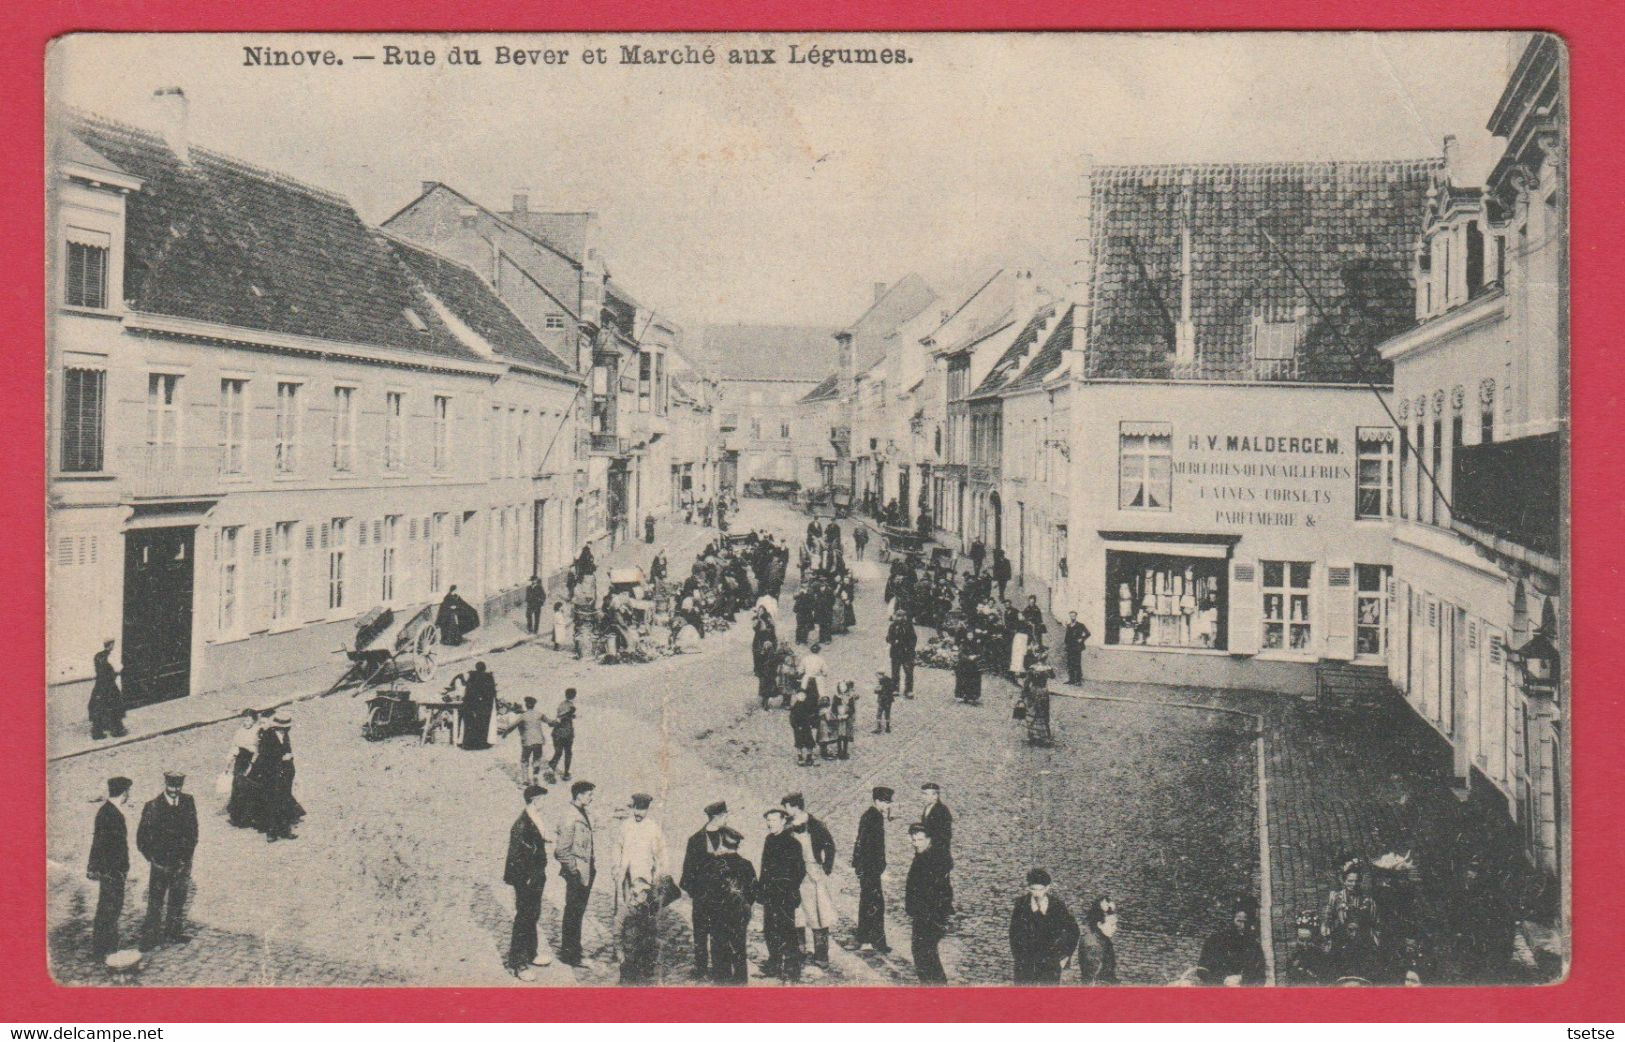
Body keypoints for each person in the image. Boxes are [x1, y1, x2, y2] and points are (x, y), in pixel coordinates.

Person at [136, 770, 198, 950]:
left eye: (178, 786)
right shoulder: (153, 806)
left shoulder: (188, 802)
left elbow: (193, 832)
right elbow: (142, 839)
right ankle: (150, 936)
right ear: (165, 785)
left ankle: (174, 932)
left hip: (181, 864)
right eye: (171, 786)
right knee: (155, 901)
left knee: (178, 899)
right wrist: (153, 860)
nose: (175, 790)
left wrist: (186, 859)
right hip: (160, 864)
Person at [615, 792, 670, 984]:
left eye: (642, 809)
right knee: (625, 911)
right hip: (626, 877)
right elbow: (618, 847)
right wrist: (617, 868)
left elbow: (661, 856)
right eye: (636, 809)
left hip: (644, 878)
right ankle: (623, 946)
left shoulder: (653, 828)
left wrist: (658, 877)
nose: (638, 813)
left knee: (645, 915)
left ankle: (643, 950)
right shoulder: (625, 826)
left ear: (647, 809)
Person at [503, 784, 554, 980]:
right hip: (526, 879)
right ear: (535, 800)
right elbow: (515, 857)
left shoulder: (535, 817)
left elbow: (536, 839)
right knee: (523, 917)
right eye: (543, 799)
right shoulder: (521, 824)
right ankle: (518, 963)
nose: (545, 803)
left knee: (533, 913)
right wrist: (524, 880)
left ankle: (531, 953)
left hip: (536, 875)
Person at [783, 793, 837, 968]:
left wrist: (826, 867)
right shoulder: (787, 826)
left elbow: (830, 846)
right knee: (797, 913)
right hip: (794, 875)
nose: (785, 810)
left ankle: (821, 955)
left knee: (818, 914)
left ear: (794, 806)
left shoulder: (816, 825)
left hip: (812, 873)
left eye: (787, 807)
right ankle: (799, 950)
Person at [680, 801, 729, 980]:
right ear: (718, 817)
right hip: (702, 896)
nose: (727, 818)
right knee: (700, 933)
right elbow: (687, 870)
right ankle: (700, 968)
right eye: (725, 815)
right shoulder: (695, 840)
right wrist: (696, 893)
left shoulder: (729, 836)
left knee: (720, 933)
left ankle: (719, 968)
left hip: (722, 896)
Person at [87, 776, 134, 960]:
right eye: (128, 792)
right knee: (110, 908)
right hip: (112, 871)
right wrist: (118, 870)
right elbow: (105, 844)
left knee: (109, 908)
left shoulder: (106, 811)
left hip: (110, 870)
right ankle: (105, 949)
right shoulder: (111, 813)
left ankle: (106, 947)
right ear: (124, 793)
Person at [757, 807, 805, 981]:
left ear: (784, 821)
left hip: (785, 895)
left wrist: (788, 888)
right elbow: (764, 867)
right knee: (770, 930)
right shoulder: (769, 840)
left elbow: (800, 871)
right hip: (770, 894)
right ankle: (774, 963)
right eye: (768, 821)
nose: (770, 824)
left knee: (787, 931)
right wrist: (761, 890)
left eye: (774, 820)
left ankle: (793, 968)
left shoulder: (793, 844)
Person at [1009, 868, 1080, 983]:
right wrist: (1019, 958)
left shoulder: (1057, 906)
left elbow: (1073, 931)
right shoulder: (1021, 905)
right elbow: (1014, 934)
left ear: (1047, 888)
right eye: (1033, 889)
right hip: (1026, 966)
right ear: (1028, 887)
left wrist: (1065, 957)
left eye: (1040, 890)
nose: (1036, 893)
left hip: (1050, 966)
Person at [554, 780, 596, 968]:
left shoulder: (581, 812)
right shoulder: (570, 816)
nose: (591, 797)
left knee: (577, 913)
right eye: (588, 794)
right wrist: (574, 870)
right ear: (578, 795)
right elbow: (561, 850)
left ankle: (574, 949)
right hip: (577, 873)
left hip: (586, 870)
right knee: (573, 913)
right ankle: (570, 955)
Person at [904, 823, 953, 984]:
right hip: (922, 914)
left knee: (925, 952)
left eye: (920, 839)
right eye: (914, 840)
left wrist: (933, 915)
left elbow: (940, 891)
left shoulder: (932, 860)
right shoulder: (922, 854)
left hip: (930, 915)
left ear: (929, 839)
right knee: (922, 952)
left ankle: (937, 988)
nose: (916, 843)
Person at [709, 827, 756, 983]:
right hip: (740, 914)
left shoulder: (715, 864)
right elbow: (753, 892)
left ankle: (721, 983)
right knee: (739, 948)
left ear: (721, 842)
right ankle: (740, 982)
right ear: (737, 845)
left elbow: (708, 892)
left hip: (718, 915)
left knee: (719, 949)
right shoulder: (747, 865)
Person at [1321, 860, 1382, 981]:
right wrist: (1327, 936)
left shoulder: (1368, 901)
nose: (1353, 884)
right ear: (1344, 881)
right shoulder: (1336, 898)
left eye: (1356, 881)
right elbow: (1327, 919)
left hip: (1362, 943)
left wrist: (1375, 942)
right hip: (1341, 940)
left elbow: (1376, 923)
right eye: (1350, 881)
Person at [249, 709, 302, 841]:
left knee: (284, 801)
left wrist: (289, 761)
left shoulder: (285, 735)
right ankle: (271, 832)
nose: (286, 729)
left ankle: (285, 830)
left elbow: (288, 750)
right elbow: (264, 755)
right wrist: (281, 758)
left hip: (285, 773)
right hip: (271, 774)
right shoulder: (267, 735)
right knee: (272, 803)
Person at [851, 786, 892, 953]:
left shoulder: (871, 815)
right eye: (885, 802)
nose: (887, 805)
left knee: (870, 902)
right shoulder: (874, 817)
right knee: (874, 904)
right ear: (877, 801)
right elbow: (867, 844)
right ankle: (873, 941)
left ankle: (867, 938)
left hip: (868, 868)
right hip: (870, 868)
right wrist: (876, 867)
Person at [1197, 898, 1269, 985]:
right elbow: (1201, 970)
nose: (1243, 926)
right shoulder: (1215, 941)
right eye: (1239, 921)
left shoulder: (1254, 946)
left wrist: (1243, 979)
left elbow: (1261, 977)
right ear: (1232, 920)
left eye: (1246, 922)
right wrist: (1223, 979)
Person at [499, 696, 549, 785]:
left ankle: (525, 780)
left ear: (526, 705)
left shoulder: (523, 716)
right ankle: (535, 776)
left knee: (524, 760)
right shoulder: (539, 714)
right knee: (537, 759)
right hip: (538, 741)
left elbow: (512, 726)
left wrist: (505, 733)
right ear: (534, 705)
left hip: (527, 742)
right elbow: (550, 722)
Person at [226, 708, 261, 828]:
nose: (246, 721)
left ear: (254, 720)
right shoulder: (239, 732)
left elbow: (258, 749)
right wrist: (228, 762)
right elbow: (234, 747)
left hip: (251, 761)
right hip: (240, 761)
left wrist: (252, 762)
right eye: (244, 719)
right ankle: (237, 817)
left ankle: (250, 817)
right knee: (237, 786)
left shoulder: (257, 731)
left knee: (250, 786)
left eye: (249, 719)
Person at [88, 639, 127, 740]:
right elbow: (118, 668)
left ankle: (97, 731)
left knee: (98, 705)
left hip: (100, 685)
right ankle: (117, 730)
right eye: (112, 644)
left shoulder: (97, 656)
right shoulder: (111, 656)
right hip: (109, 685)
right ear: (110, 645)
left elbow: (97, 670)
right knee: (115, 705)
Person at [1077, 895, 1121, 984]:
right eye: (1112, 925)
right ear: (1100, 924)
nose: (1115, 928)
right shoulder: (1094, 947)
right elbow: (1093, 980)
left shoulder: (1099, 935)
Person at [455, 662, 497, 751]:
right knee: (483, 724)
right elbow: (492, 692)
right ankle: (481, 744)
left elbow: (468, 691)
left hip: (471, 703)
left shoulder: (472, 676)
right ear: (484, 668)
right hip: (485, 704)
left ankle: (469, 743)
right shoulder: (488, 677)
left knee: (470, 723)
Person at [920, 782, 953, 869]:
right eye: (923, 794)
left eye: (926, 794)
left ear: (935, 796)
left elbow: (944, 835)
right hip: (928, 853)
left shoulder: (942, 810)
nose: (923, 797)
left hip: (938, 856)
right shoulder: (927, 808)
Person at [886, 609, 918, 698]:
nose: (900, 618)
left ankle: (909, 690)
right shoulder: (892, 626)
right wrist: (893, 641)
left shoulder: (909, 626)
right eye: (898, 616)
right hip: (896, 652)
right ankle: (895, 688)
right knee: (895, 672)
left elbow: (914, 638)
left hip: (907, 653)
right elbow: (888, 638)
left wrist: (909, 647)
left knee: (909, 672)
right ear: (895, 617)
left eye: (902, 616)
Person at [548, 688, 578, 781]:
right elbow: (561, 717)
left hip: (558, 732)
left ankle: (552, 768)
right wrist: (570, 713)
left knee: (559, 753)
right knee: (567, 753)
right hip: (566, 733)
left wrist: (571, 715)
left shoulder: (562, 704)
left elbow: (560, 716)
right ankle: (565, 773)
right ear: (574, 695)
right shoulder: (570, 706)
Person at [1063, 612, 1091, 685]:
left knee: (1077, 663)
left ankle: (1078, 681)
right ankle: (1071, 680)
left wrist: (1082, 639)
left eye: (1074, 616)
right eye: (1071, 616)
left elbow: (1088, 633)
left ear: (1076, 616)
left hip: (1077, 647)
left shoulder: (1080, 625)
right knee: (1070, 663)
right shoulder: (1069, 626)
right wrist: (1066, 644)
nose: (1072, 617)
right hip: (1070, 647)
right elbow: (1067, 636)